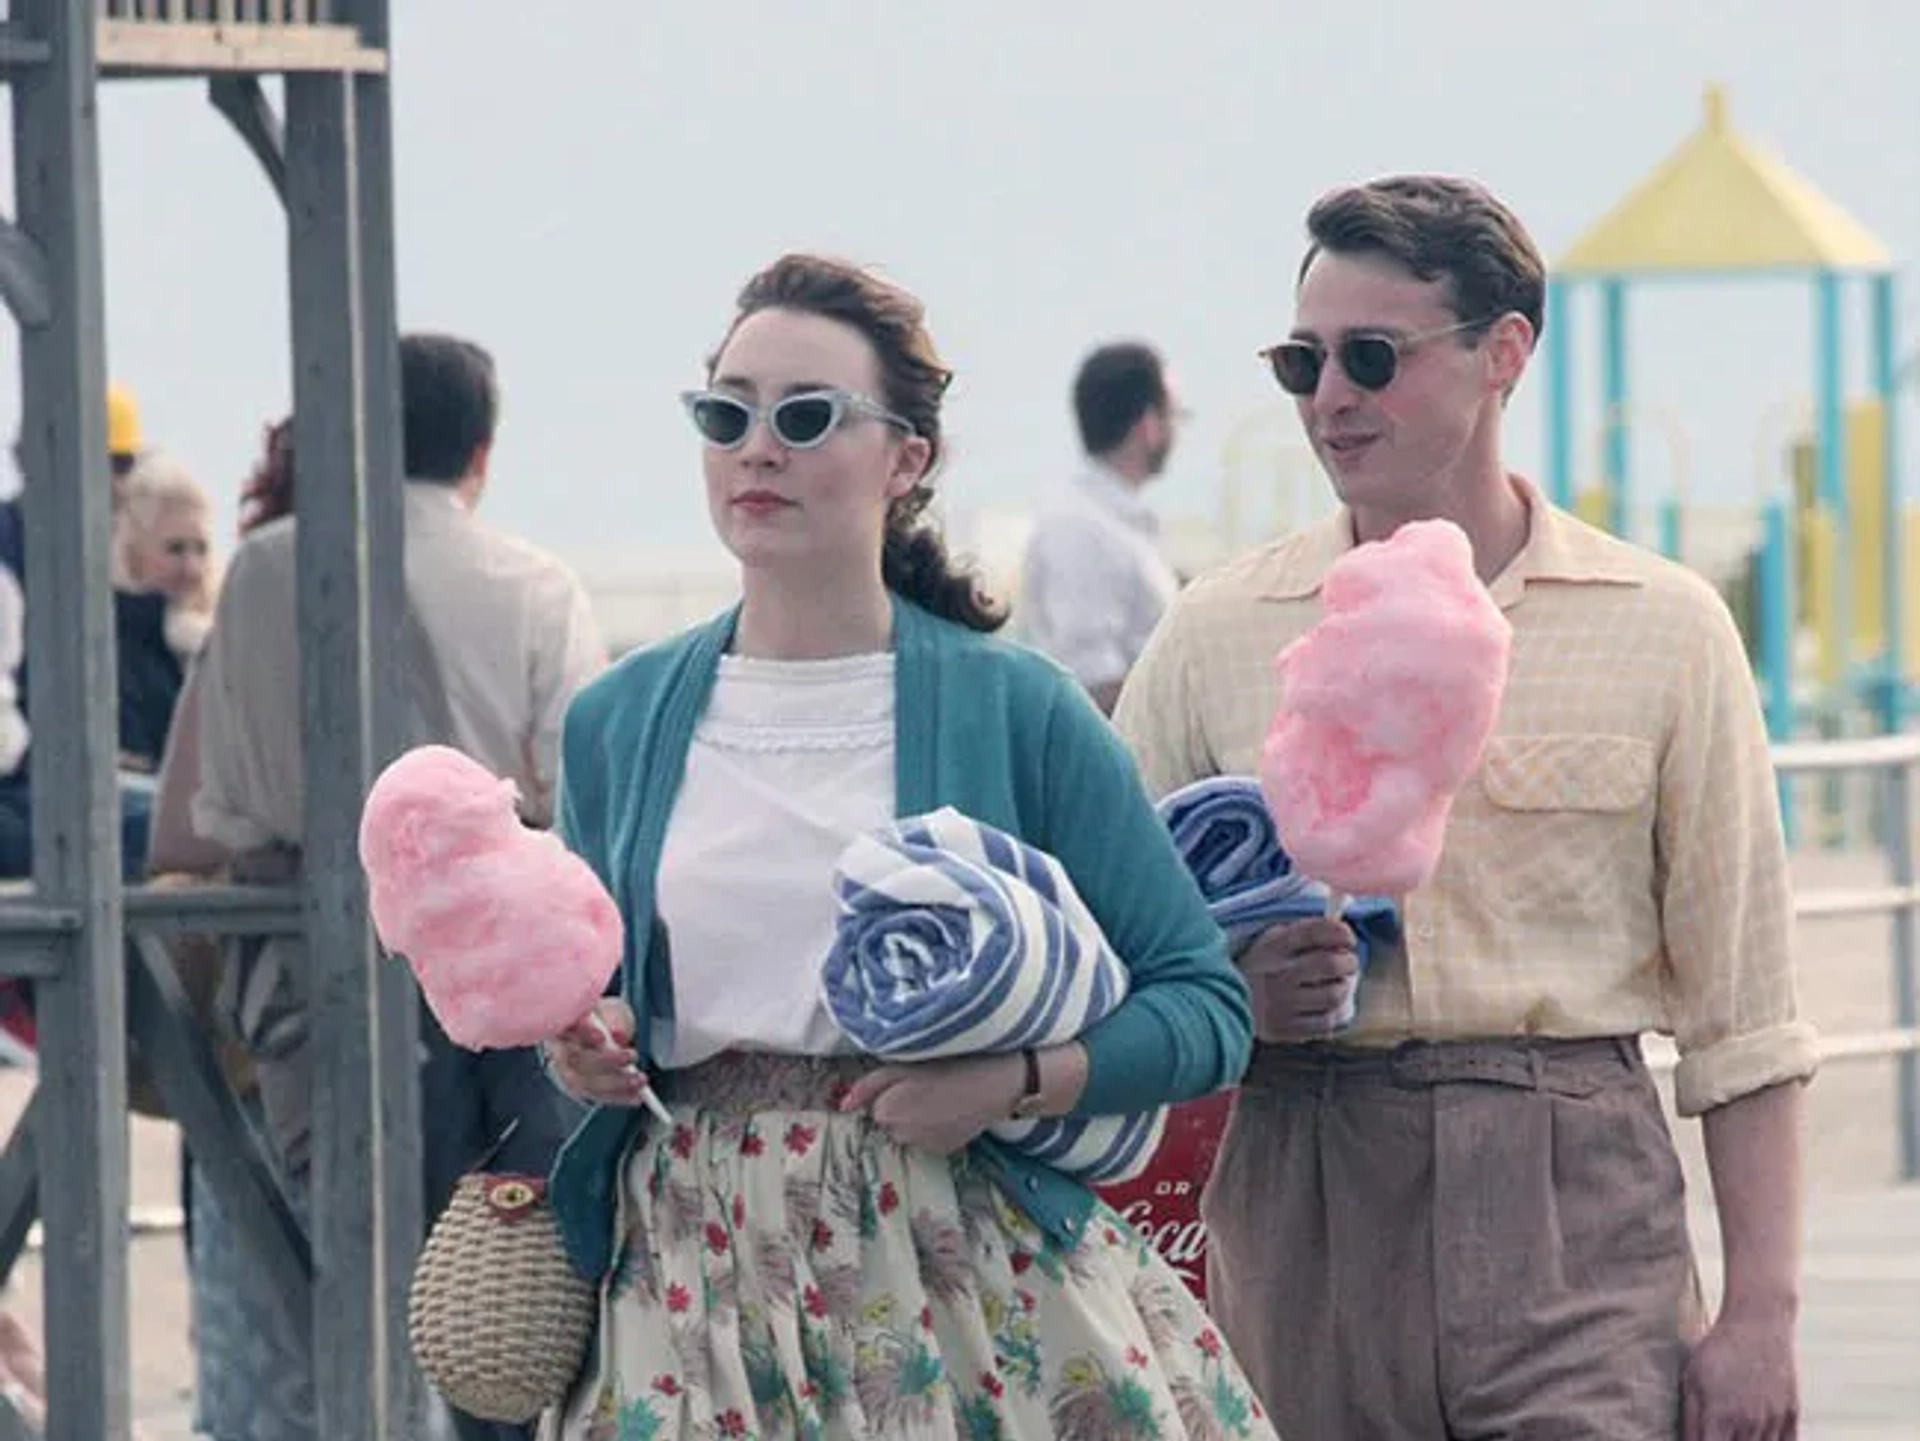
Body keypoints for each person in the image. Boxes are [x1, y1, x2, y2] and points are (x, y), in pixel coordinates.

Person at [1114, 174, 1815, 1441]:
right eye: (1301, 361)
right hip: (1303, 1172)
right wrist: (1238, 990)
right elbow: (1114, 947)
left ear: (1504, 352)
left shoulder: (1661, 629)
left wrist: (1760, 1311)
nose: (1331, 397)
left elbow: (1746, 1014)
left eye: (1372, 357)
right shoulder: (1219, 632)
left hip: (1571, 1179)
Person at [536, 253, 1271, 1440]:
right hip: (689, 1285)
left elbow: (1204, 1008)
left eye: (807, 415)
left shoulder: (1019, 707)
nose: (757, 447)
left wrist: (1013, 1083)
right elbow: (594, 1011)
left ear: (908, 459)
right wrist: (582, 1048)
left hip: (966, 1285)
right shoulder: (613, 723)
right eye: (726, 414)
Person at [187, 340, 607, 1441]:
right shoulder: (532, 582)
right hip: (494, 983)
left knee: (334, 1281)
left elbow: (216, 800)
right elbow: (580, 787)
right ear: (481, 447)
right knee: (503, 1295)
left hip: (296, 964)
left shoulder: (264, 567)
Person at [1018, 342, 1183, 713]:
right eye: (1176, 416)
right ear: (1149, 425)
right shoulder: (1079, 528)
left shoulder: (1120, 523)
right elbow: (1086, 680)